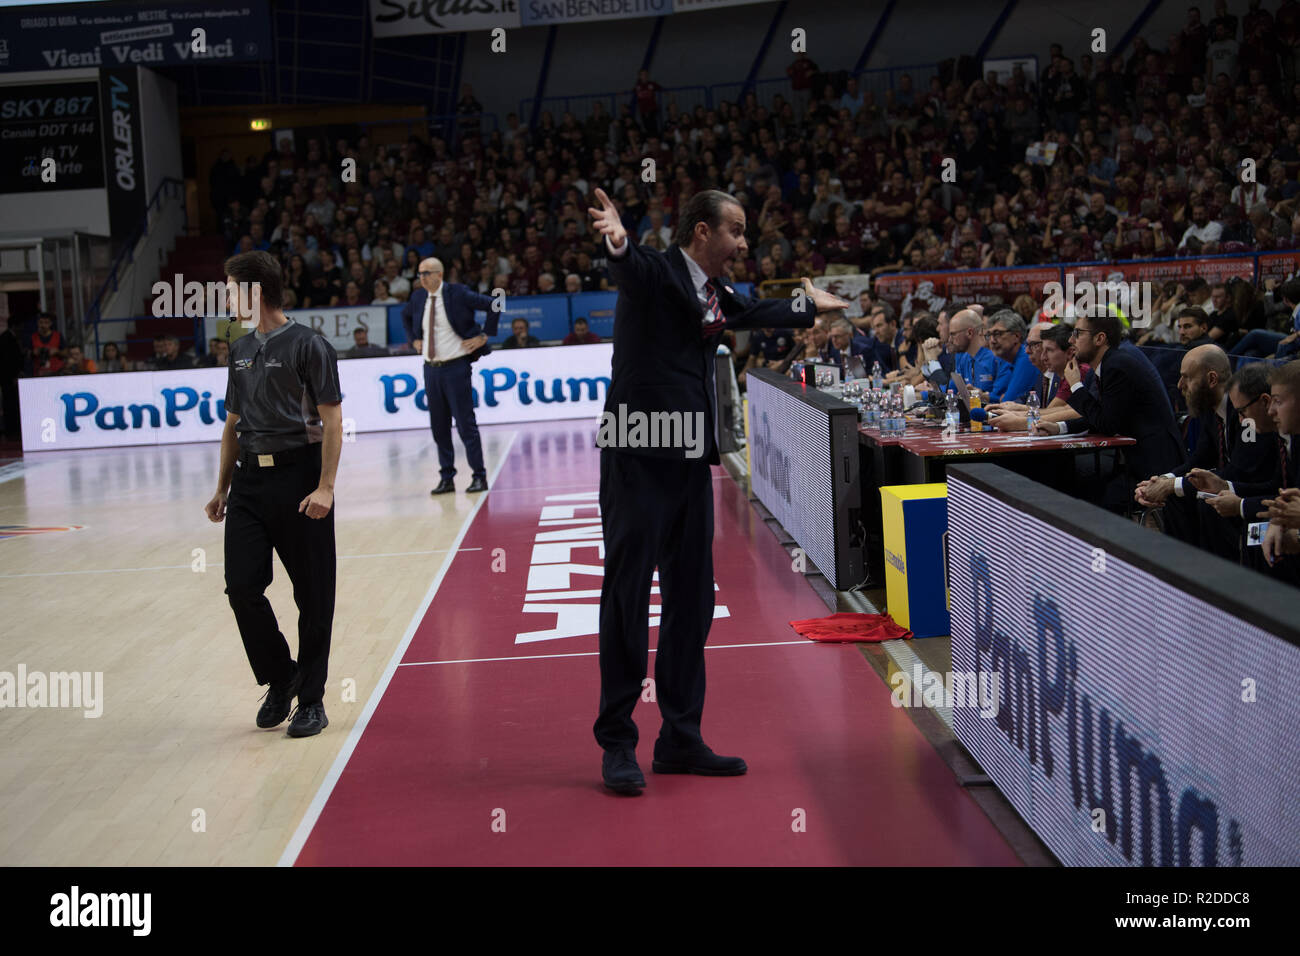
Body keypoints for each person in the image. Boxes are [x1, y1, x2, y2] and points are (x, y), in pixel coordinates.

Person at [586, 186, 847, 794]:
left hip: (688, 459)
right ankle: (617, 741)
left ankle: (679, 737)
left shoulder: (717, 293)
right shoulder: (654, 270)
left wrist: (810, 309)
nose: (744, 242)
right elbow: (627, 265)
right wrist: (619, 244)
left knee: (692, 597)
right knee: (628, 596)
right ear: (701, 231)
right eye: (735, 230)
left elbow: (754, 311)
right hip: (637, 453)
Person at [204, 250, 343, 738]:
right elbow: (231, 425)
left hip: (300, 477)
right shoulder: (238, 348)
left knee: (313, 595)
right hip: (248, 482)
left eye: (230, 288)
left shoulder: (310, 345)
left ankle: (312, 700)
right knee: (242, 587)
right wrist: (222, 487)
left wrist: (325, 486)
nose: (225, 297)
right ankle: (283, 677)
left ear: (254, 291)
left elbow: (332, 421)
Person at [1039, 312, 1184, 483]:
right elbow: (1102, 415)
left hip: (1155, 464)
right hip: (1137, 459)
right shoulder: (1110, 363)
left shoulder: (1116, 366)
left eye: (1078, 334)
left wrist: (1076, 385)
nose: (1071, 340)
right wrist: (1059, 428)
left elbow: (1106, 424)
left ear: (1099, 339)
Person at [401, 257, 500, 495]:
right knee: (439, 427)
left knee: (466, 424)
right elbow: (405, 316)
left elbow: (497, 303)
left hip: (456, 367)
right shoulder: (418, 297)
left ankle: (479, 476)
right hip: (431, 369)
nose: (421, 278)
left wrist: (485, 335)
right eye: (419, 274)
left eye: (426, 274)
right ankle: (447, 477)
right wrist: (413, 339)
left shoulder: (459, 293)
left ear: (439, 275)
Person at [985, 310, 1039, 403]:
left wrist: (1003, 399)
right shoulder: (1007, 359)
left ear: (1016, 336)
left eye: (997, 334)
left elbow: (1008, 402)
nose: (992, 341)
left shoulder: (1026, 358)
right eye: (989, 335)